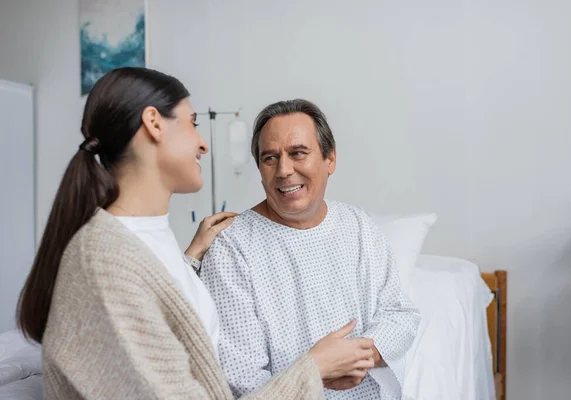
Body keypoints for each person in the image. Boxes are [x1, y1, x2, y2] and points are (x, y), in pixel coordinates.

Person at [16, 68, 376, 400]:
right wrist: (313, 369)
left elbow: (158, 320)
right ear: (154, 124)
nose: (204, 144)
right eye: (191, 123)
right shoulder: (104, 258)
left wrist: (187, 260)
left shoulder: (153, 245)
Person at [200, 99, 421, 399]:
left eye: (298, 153)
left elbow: (400, 314)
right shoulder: (231, 246)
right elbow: (240, 377)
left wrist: (353, 359)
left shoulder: (358, 225)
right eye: (270, 158)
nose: (284, 170)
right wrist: (316, 371)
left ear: (330, 160)